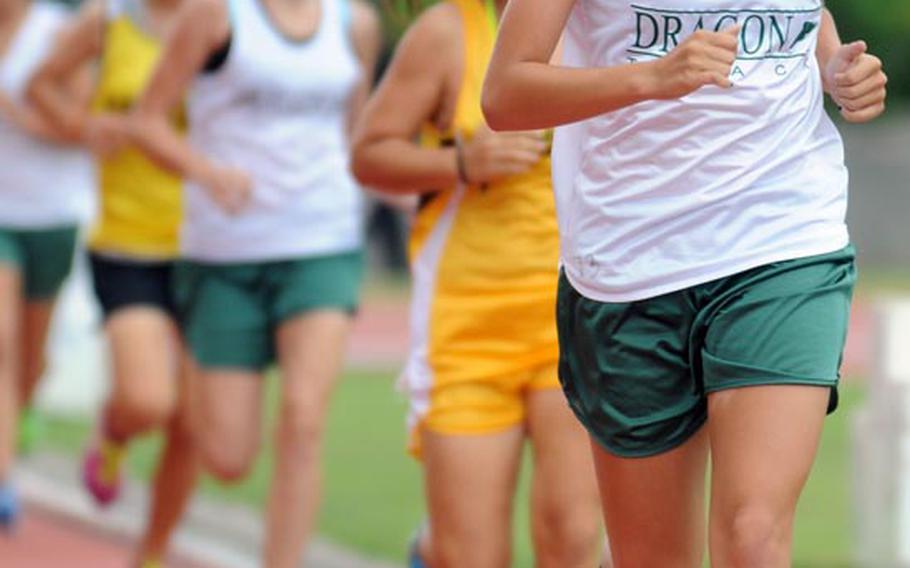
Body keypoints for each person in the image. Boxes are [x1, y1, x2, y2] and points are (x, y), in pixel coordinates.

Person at [483, 1, 887, 566]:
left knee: (754, 536)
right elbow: (504, 94)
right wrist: (649, 78)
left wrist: (832, 69)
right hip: (630, 262)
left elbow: (798, 15)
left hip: (785, 237)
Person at [127, 0, 381, 564]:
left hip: (323, 243)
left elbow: (355, 133)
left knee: (303, 421)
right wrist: (206, 172)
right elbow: (145, 120)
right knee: (227, 457)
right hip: (226, 254)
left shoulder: (356, 24)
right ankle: (179, 394)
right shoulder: (217, 16)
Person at [351, 1, 604, 566]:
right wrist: (462, 162)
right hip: (467, 325)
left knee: (573, 535)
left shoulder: (607, 27)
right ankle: (434, 546)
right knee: (469, 554)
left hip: (577, 317)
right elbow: (369, 155)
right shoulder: (446, 33)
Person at [27, 0, 199, 564]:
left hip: (213, 247)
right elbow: (40, 85)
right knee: (148, 399)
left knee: (192, 421)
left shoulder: (229, 24)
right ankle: (116, 428)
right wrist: (83, 126)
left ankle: (153, 549)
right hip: (127, 240)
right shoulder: (110, 21)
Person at [0, 0, 91, 530]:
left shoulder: (62, 33)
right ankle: (4, 476)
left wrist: (21, 114)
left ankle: (24, 409)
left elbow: (86, 128)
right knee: (1, 341)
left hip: (53, 213)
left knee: (30, 359)